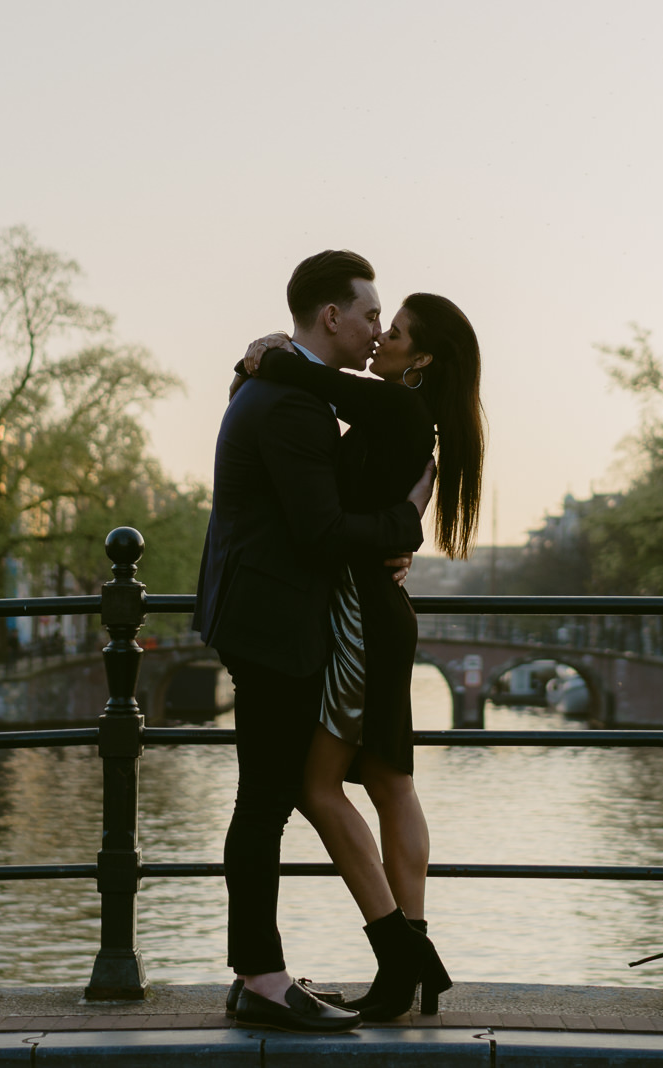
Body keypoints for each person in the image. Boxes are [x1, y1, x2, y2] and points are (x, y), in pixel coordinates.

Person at [192, 250, 439, 1034]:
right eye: (370, 314)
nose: (375, 328)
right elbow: (320, 530)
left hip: (258, 614)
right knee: (263, 804)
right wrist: (405, 523)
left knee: (267, 799)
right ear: (330, 316)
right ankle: (262, 980)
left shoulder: (269, 385)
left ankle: (273, 971)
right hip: (274, 625)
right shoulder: (293, 405)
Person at [236, 290, 485, 1020]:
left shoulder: (397, 408)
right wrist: (398, 527)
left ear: (423, 358)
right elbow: (304, 380)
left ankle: (406, 959)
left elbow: (304, 377)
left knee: (317, 789)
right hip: (380, 612)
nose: (381, 337)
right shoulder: (412, 418)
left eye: (396, 331)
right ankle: (407, 966)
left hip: (362, 621)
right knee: (388, 782)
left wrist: (265, 350)